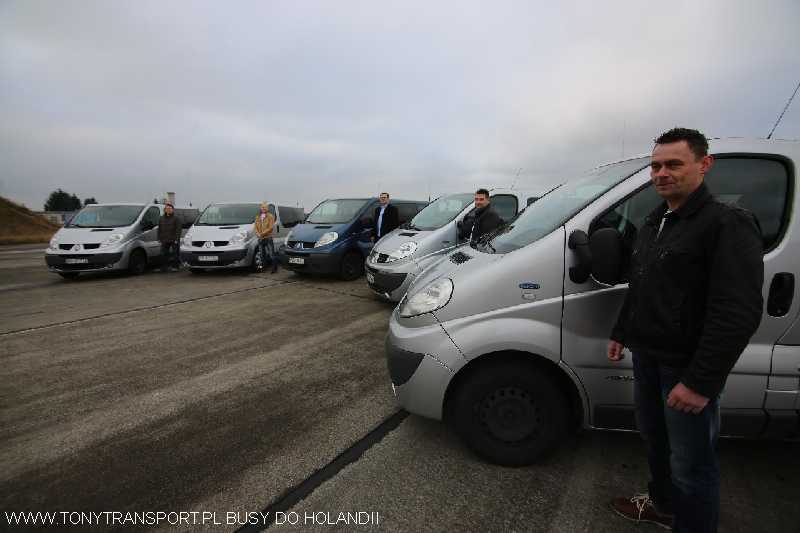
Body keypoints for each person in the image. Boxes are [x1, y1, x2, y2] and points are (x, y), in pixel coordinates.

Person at [608, 128, 764, 533]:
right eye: (656, 166)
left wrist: (700, 382)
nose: (661, 173)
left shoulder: (726, 223)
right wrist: (622, 331)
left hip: (685, 367)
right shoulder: (656, 220)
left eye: (674, 164)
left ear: (704, 164)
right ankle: (663, 506)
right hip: (648, 357)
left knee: (692, 464)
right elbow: (642, 284)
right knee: (656, 443)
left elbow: (738, 312)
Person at [157, 203, 182, 272]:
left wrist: (177, 239)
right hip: (164, 239)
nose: (168, 210)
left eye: (169, 209)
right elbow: (159, 229)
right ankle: (164, 267)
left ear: (172, 210)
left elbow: (178, 229)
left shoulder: (176, 218)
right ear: (164, 210)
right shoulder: (161, 218)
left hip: (174, 239)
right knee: (163, 254)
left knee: (175, 254)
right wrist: (159, 238)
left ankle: (175, 267)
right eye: (166, 209)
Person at [254, 202, 277, 273]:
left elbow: (270, 228)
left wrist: (262, 234)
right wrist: (258, 234)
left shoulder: (270, 216)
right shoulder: (257, 217)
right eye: (262, 207)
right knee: (262, 254)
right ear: (260, 208)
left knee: (271, 254)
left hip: (268, 237)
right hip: (260, 238)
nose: (263, 208)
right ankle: (263, 268)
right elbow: (255, 227)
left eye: (265, 207)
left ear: (267, 208)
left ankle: (274, 268)